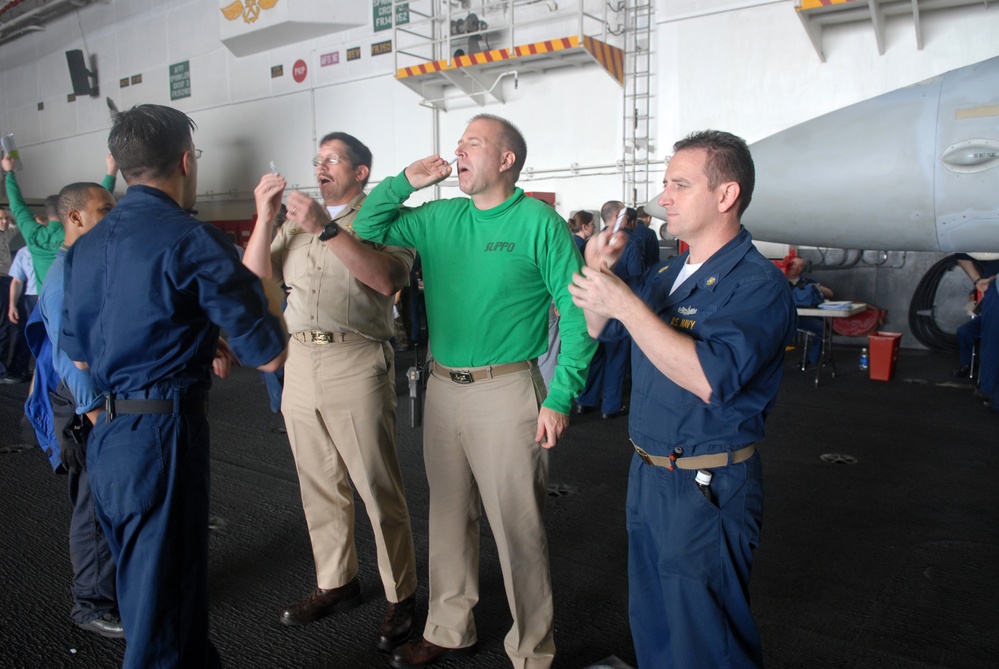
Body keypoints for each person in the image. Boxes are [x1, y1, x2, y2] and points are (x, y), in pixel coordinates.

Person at [353, 113, 596, 669]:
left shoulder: (540, 223)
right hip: (441, 388)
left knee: (518, 528)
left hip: (509, 390)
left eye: (473, 144)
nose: (457, 152)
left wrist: (560, 396)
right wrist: (403, 183)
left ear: (506, 160)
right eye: (457, 143)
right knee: (447, 515)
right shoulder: (438, 218)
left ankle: (532, 650)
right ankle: (448, 626)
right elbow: (366, 229)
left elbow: (578, 312)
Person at [60, 104, 287, 669]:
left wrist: (190, 334)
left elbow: (81, 353)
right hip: (162, 438)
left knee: (159, 598)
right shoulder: (192, 239)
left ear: (124, 165)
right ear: (186, 162)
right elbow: (267, 352)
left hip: (107, 440)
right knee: (160, 620)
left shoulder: (84, 247)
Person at [569, 130, 795, 668]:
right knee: (653, 619)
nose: (663, 197)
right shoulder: (668, 272)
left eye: (679, 184)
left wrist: (625, 304)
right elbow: (600, 326)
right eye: (665, 184)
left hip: (707, 483)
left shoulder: (758, 284)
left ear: (725, 196)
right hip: (648, 472)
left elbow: (709, 378)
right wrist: (600, 272)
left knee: (705, 634)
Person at [244, 132, 419, 652]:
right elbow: (255, 280)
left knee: (376, 485)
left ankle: (400, 594)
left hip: (356, 359)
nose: (320, 166)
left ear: (362, 172)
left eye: (332, 159)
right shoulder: (293, 225)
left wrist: (325, 229)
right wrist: (264, 216)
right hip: (299, 361)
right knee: (317, 482)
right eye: (316, 158)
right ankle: (336, 583)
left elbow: (386, 279)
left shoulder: (385, 216)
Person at [26, 181, 124, 638]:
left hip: (102, 402)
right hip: (87, 408)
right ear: (76, 218)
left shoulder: (90, 264)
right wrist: (97, 416)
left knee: (109, 503)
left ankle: (114, 591)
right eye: (105, 209)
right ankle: (91, 605)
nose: (115, 215)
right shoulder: (65, 276)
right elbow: (71, 360)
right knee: (93, 506)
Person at [2, 152, 118, 288]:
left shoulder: (33, 234)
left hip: (43, 302)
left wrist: (9, 172)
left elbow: (17, 205)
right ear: (71, 213)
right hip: (75, 296)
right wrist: (112, 170)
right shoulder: (73, 233)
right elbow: (95, 204)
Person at [575, 202, 644, 419]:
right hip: (617, 310)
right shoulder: (630, 244)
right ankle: (610, 407)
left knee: (594, 357)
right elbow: (638, 275)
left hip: (591, 307)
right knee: (616, 359)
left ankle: (585, 401)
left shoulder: (590, 244)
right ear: (618, 216)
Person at [952, 254, 999, 378]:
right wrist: (974, 306)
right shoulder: (985, 280)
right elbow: (972, 304)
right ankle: (967, 365)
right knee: (964, 332)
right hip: (986, 316)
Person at [785, 255, 833, 369]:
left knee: (821, 329)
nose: (796, 268)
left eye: (801, 266)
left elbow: (830, 293)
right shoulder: (778, 278)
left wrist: (815, 288)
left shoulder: (807, 282)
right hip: (783, 317)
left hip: (803, 318)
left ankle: (813, 360)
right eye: (794, 264)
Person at [1, 245, 37, 383]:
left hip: (30, 294)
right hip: (30, 295)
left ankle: (19, 368)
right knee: (20, 331)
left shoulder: (24, 251)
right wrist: (12, 305)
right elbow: (17, 280)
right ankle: (15, 369)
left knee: (23, 331)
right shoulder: (25, 252)